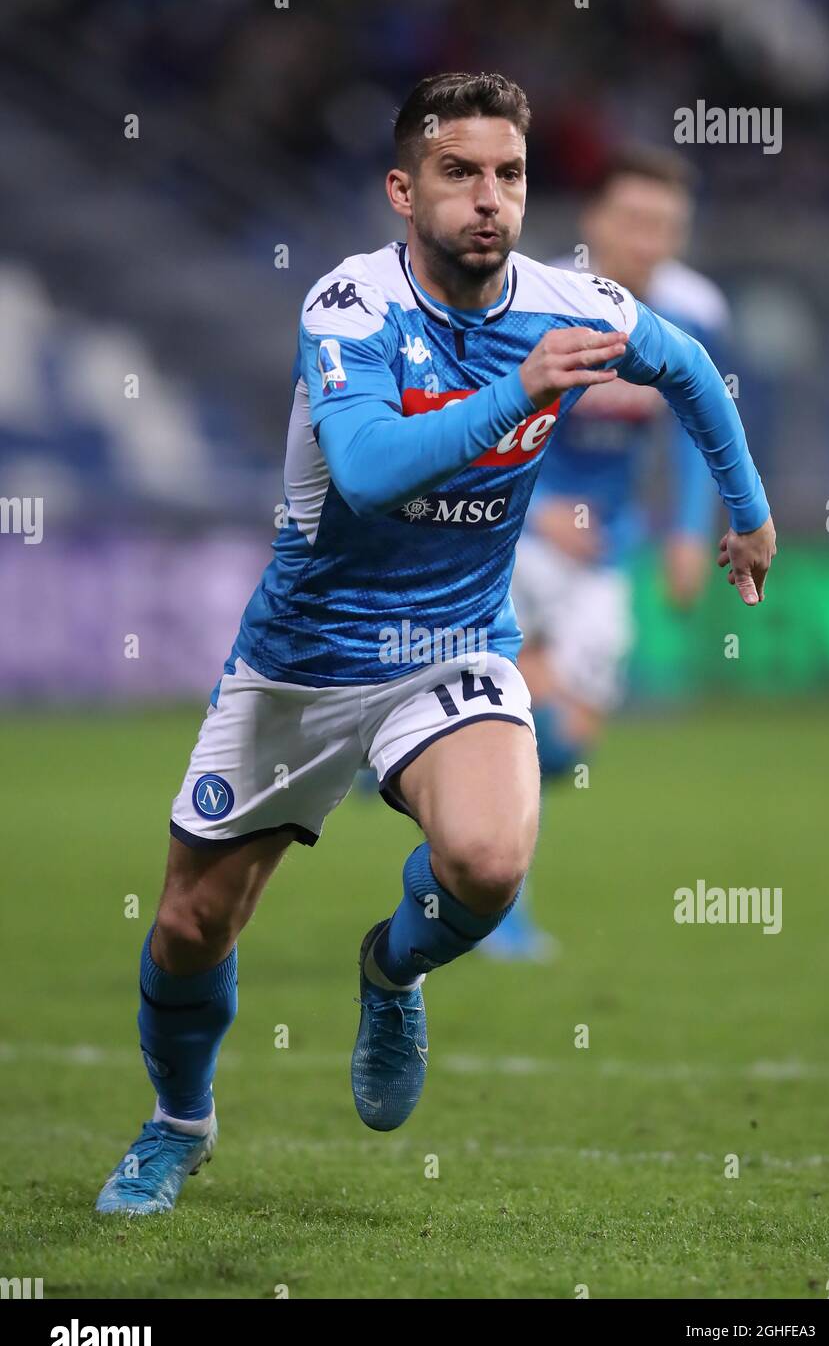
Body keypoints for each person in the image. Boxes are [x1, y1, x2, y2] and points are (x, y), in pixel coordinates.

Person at [96, 72, 775, 1214]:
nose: (487, 198)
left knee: (491, 863)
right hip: (301, 659)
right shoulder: (348, 307)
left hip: (453, 644)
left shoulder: (571, 300)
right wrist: (517, 390)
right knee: (190, 922)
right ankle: (177, 1124)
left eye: (507, 175)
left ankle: (389, 969)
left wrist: (743, 510)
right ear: (403, 190)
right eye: (458, 173)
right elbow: (364, 474)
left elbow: (692, 371)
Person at [488, 146, 731, 962]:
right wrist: (538, 507)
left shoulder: (695, 311)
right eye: (633, 220)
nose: (649, 239)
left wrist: (691, 533)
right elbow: (480, 421)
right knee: (521, 717)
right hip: (516, 536)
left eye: (666, 225)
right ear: (594, 220)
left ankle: (412, 766)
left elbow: (699, 427)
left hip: (609, 546)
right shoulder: (534, 298)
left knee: (565, 744)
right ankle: (498, 910)